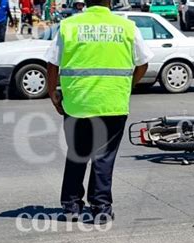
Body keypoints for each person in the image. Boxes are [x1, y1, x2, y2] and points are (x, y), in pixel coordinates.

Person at [45, 0, 154, 224]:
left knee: (77, 154)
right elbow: (143, 63)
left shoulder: (69, 25)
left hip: (77, 103)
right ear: (110, 2)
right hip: (112, 103)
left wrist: (52, 93)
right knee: (104, 158)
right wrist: (128, 86)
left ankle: (71, 206)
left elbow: (52, 64)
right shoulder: (127, 26)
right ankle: (101, 208)